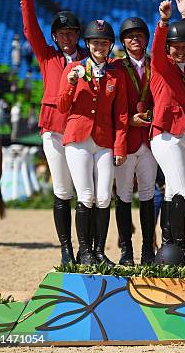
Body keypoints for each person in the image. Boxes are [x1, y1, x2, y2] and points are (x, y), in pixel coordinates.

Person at [15, 0, 87, 265]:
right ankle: (66, 248)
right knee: (62, 189)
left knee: (86, 191)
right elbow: (31, 28)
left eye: (71, 33)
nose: (66, 38)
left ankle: (87, 248)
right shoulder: (48, 56)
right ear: (55, 36)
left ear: (77, 35)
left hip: (82, 130)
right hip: (55, 130)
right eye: (61, 34)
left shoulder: (89, 58)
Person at [57, 19, 128, 265]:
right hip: (78, 139)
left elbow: (120, 114)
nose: (100, 46)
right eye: (96, 42)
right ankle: (84, 251)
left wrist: (120, 146)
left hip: (105, 140)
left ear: (110, 46)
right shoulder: (74, 69)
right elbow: (62, 106)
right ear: (88, 44)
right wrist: (71, 84)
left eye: (104, 42)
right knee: (86, 195)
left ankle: (99, 251)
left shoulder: (115, 74)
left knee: (104, 197)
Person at [150, 0, 185, 263]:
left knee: (172, 191)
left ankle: (169, 245)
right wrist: (164, 21)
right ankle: (178, 246)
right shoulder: (160, 64)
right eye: (175, 46)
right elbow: (157, 46)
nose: (181, 50)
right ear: (168, 48)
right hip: (165, 134)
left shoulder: (184, 70)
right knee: (181, 189)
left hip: (182, 134)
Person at [112, 15, 157, 266]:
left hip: (149, 140)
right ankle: (126, 249)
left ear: (146, 39)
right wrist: (129, 120)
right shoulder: (116, 67)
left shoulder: (155, 65)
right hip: (126, 138)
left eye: (139, 35)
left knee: (148, 195)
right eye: (130, 36)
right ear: (123, 42)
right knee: (125, 195)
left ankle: (148, 249)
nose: (135, 39)